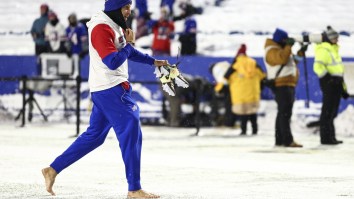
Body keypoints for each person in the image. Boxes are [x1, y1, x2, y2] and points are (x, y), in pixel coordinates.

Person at [41, 0, 169, 198]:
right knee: (131, 130)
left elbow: (127, 52)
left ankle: (52, 169)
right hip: (111, 90)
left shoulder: (113, 24)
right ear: (115, 8)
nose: (129, 11)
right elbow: (112, 61)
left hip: (106, 90)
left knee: (94, 137)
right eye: (126, 7)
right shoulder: (101, 28)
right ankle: (134, 189)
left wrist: (153, 61)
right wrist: (129, 44)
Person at [264, 28, 305, 147]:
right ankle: (287, 140)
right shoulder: (271, 50)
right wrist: (288, 47)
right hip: (281, 85)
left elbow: (292, 62)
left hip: (288, 84)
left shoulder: (281, 49)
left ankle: (280, 140)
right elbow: (281, 59)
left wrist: (301, 52)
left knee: (283, 113)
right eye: (285, 40)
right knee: (284, 113)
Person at [313, 26, 348, 145]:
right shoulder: (324, 49)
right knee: (327, 112)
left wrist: (343, 89)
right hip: (329, 84)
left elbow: (339, 71)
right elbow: (317, 67)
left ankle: (331, 137)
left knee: (332, 112)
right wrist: (328, 80)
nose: (337, 40)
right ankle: (325, 138)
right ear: (329, 39)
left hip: (336, 84)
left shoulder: (334, 50)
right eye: (335, 38)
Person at [224, 44, 265, 135]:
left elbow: (226, 76)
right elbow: (263, 76)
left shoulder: (235, 65)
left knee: (243, 113)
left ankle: (244, 130)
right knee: (252, 112)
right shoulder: (254, 63)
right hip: (253, 93)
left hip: (240, 93)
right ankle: (255, 130)